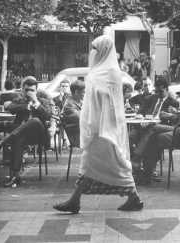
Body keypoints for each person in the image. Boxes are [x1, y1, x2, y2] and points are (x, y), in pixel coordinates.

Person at [53, 35, 143, 214]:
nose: (92, 52)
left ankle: (133, 197)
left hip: (105, 128)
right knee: (92, 164)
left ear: (103, 51)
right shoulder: (99, 72)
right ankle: (75, 200)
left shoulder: (111, 73)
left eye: (95, 48)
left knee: (112, 163)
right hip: (96, 127)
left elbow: (109, 101)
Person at [0, 76, 52, 187]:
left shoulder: (42, 101)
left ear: (36, 91)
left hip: (39, 135)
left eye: (32, 90)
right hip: (23, 135)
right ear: (23, 90)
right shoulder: (20, 100)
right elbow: (10, 107)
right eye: (26, 90)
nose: (29, 92)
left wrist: (36, 102)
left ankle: (6, 139)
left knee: (35, 120)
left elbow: (48, 115)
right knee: (17, 141)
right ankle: (15, 176)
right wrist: (26, 106)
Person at [129, 77, 179, 169]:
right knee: (131, 136)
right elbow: (140, 112)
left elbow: (174, 121)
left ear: (166, 89)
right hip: (144, 125)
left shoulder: (173, 103)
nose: (158, 94)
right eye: (156, 91)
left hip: (158, 128)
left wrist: (172, 114)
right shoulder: (150, 98)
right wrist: (141, 117)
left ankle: (137, 157)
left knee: (150, 135)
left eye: (160, 91)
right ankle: (132, 160)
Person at [61, 80, 85, 147]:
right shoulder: (69, 105)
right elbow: (81, 118)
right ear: (77, 92)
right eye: (84, 92)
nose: (85, 94)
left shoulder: (79, 101)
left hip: (83, 133)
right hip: (78, 137)